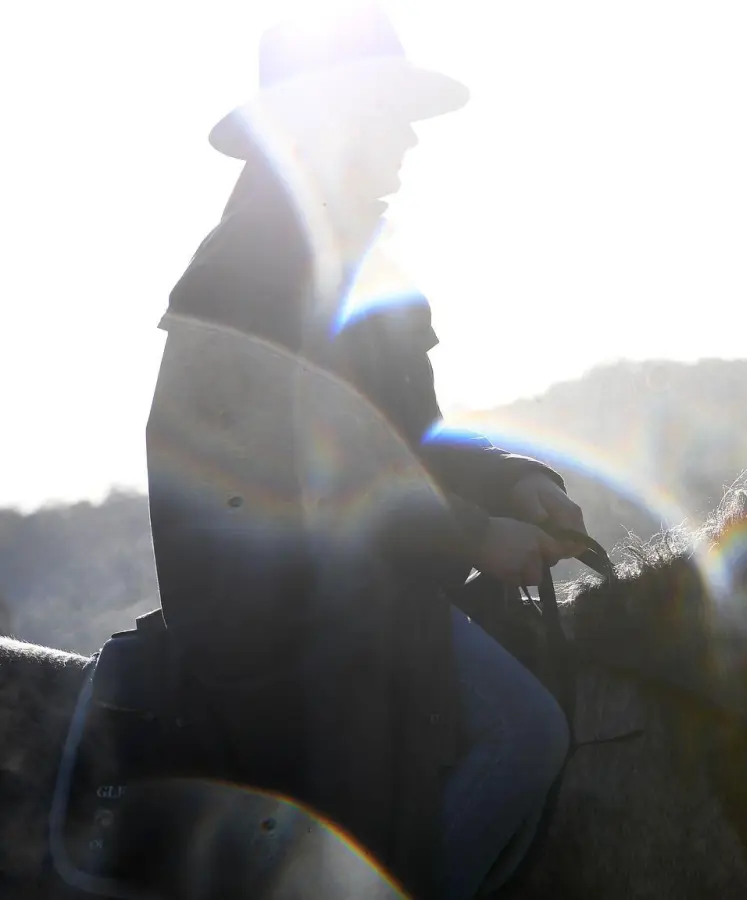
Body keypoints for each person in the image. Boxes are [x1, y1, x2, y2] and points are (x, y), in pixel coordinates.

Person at [144, 6, 583, 898]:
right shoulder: (251, 266)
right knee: (526, 733)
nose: (412, 138)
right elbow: (322, 469)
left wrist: (513, 480)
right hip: (283, 623)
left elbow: (405, 441)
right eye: (392, 111)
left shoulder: (360, 259)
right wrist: (473, 537)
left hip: (361, 595)